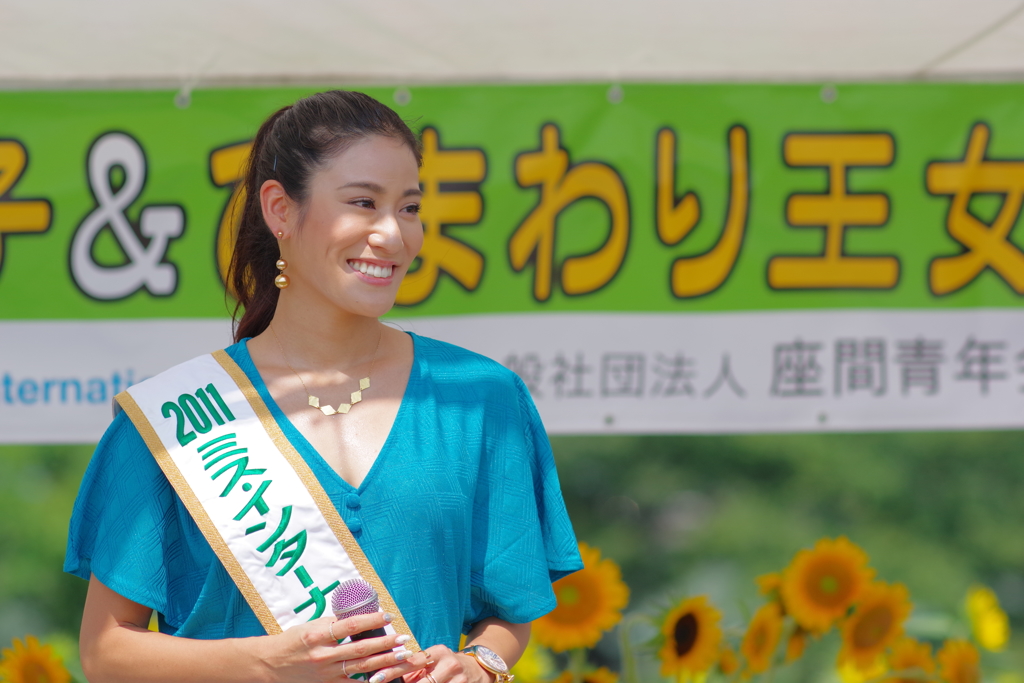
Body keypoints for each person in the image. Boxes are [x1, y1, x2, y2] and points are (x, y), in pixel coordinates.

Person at [65, 90, 582, 683]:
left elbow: (509, 613)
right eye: (363, 202)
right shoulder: (173, 421)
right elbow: (105, 653)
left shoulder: (479, 398)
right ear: (281, 210)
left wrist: (481, 664)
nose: (393, 235)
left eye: (409, 208)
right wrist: (267, 662)